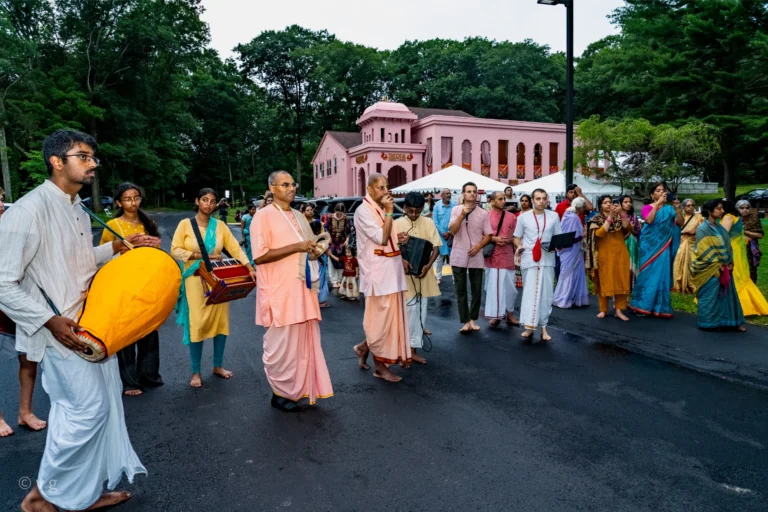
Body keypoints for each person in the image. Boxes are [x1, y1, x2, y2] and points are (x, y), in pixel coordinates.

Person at [0, 129, 156, 511]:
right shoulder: (27, 210)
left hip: (92, 325)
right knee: (86, 411)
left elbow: (76, 263)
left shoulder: (76, 206)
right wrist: (48, 320)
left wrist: (116, 248)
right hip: (61, 332)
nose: (92, 163)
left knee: (98, 409)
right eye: (83, 156)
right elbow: (3, 281)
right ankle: (43, 496)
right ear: (56, 161)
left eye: (92, 157)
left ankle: (81, 494)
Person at [252, 170, 333, 412]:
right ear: (272, 189)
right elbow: (260, 256)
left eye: (293, 184)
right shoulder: (262, 216)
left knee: (302, 344)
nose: (291, 188)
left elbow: (307, 250)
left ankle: (301, 390)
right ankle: (280, 394)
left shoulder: (298, 215)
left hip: (302, 288)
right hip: (279, 291)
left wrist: (315, 248)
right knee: (281, 345)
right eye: (285, 184)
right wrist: (296, 246)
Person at [171, 188, 256, 388]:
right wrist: (202, 257)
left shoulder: (220, 227)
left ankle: (218, 366)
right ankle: (195, 371)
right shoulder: (185, 225)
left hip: (217, 279)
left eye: (212, 201)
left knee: (220, 322)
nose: (208, 204)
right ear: (197, 201)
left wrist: (249, 267)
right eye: (204, 200)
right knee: (197, 324)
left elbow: (235, 248)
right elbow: (175, 250)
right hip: (194, 279)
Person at [99, 183, 163, 396]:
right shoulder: (112, 225)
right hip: (123, 285)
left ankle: (149, 375)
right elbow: (103, 257)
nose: (133, 202)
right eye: (127, 199)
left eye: (136, 197)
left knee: (148, 330)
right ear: (118, 202)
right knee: (126, 333)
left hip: (147, 284)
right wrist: (122, 249)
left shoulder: (148, 223)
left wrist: (152, 246)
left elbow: (157, 255)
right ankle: (129, 382)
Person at [352, 173, 411, 383]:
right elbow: (380, 237)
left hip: (392, 271)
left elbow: (388, 238)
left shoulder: (380, 210)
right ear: (369, 189)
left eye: (386, 187)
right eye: (380, 187)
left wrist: (399, 238)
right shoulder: (363, 211)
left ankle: (363, 348)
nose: (385, 191)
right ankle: (379, 367)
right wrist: (389, 213)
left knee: (389, 320)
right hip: (378, 274)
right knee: (379, 322)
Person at [1, 189, 48, 438]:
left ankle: (25, 412)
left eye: (0, 199)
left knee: (29, 360)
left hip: (20, 305)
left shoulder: (16, 225)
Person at [395, 192, 442, 364]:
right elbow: (392, 250)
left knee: (420, 313)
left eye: (418, 211)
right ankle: (402, 350)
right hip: (404, 277)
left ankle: (413, 350)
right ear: (405, 208)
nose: (414, 214)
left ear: (423, 209)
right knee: (406, 313)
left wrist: (427, 266)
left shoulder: (428, 222)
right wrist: (402, 260)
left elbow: (436, 248)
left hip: (424, 276)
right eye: (411, 211)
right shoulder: (396, 223)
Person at [513, 188, 562, 340]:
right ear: (532, 200)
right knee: (529, 293)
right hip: (529, 258)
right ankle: (529, 327)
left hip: (547, 258)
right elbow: (516, 237)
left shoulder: (554, 216)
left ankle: (544, 328)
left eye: (543, 198)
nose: (541, 201)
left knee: (546, 295)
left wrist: (559, 245)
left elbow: (558, 237)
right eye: (538, 198)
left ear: (547, 199)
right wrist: (519, 246)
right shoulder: (523, 217)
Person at [629, 183, 684, 317]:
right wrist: (658, 204)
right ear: (652, 195)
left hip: (663, 247)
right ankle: (641, 304)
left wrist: (677, 209)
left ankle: (659, 306)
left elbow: (680, 223)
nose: (661, 192)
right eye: (658, 191)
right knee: (646, 273)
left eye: (663, 190)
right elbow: (649, 220)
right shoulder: (647, 207)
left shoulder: (669, 210)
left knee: (661, 275)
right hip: (648, 247)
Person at [691, 200, 746, 331]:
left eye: (722, 209)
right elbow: (703, 250)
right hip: (710, 268)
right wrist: (719, 265)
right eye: (719, 209)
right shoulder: (703, 228)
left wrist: (730, 262)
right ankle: (709, 323)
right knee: (711, 295)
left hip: (725, 266)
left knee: (727, 295)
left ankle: (730, 322)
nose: (722, 211)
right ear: (710, 211)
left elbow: (727, 245)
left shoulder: (720, 227)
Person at [448, 182, 493, 333]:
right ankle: (465, 321)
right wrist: (462, 215)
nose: (472, 194)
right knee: (460, 291)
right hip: (458, 254)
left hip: (476, 255)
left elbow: (489, 235)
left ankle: (473, 319)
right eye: (468, 191)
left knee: (476, 290)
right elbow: (452, 231)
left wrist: (478, 246)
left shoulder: (483, 213)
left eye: (474, 191)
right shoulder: (456, 210)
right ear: (463, 194)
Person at [585, 196, 632, 320]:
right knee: (604, 282)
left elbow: (628, 228)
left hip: (621, 254)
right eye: (605, 202)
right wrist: (610, 217)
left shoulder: (619, 217)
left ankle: (619, 310)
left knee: (621, 280)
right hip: (604, 255)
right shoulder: (596, 219)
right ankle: (603, 310)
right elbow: (599, 234)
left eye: (610, 202)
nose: (608, 204)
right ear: (600, 205)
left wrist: (622, 213)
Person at [720, 201, 768, 316]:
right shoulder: (737, 217)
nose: (719, 210)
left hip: (733, 248)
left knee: (736, 275)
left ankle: (739, 304)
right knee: (741, 275)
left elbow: (722, 235)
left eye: (720, 208)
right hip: (739, 248)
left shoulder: (728, 217)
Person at [482, 191, 520, 327]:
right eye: (500, 199)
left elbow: (517, 236)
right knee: (491, 287)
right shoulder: (485, 216)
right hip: (492, 257)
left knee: (510, 288)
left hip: (507, 256)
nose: (504, 201)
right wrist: (494, 239)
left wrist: (509, 240)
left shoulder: (512, 217)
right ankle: (496, 315)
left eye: (504, 199)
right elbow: (480, 235)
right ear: (491, 201)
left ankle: (509, 314)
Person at [553, 197, 590, 309]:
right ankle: (564, 298)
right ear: (581, 207)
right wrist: (582, 235)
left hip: (572, 250)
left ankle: (571, 298)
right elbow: (570, 238)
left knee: (572, 273)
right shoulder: (573, 218)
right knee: (568, 274)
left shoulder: (567, 215)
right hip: (571, 250)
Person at [672, 199, 704, 294]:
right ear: (683, 207)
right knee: (679, 261)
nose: (691, 207)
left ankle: (692, 285)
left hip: (694, 243)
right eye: (688, 205)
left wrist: (693, 231)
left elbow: (702, 229)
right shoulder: (679, 217)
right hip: (681, 242)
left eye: (692, 205)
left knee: (692, 263)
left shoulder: (699, 217)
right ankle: (680, 285)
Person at [431, 188, 456, 284]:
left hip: (452, 235)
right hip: (440, 236)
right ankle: (438, 277)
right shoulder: (437, 206)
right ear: (441, 196)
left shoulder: (454, 205)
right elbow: (435, 221)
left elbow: (457, 219)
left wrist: (449, 232)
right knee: (439, 258)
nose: (448, 195)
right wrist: (443, 232)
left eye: (449, 193)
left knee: (453, 257)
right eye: (446, 193)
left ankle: (455, 278)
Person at [738, 199, 764, 284]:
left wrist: (744, 231)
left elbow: (760, 235)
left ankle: (752, 291)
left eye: (747, 208)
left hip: (750, 249)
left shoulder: (754, 218)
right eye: (742, 208)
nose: (745, 210)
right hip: (737, 248)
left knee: (751, 270)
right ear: (737, 209)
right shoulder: (734, 219)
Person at [325, 203, 351, 289]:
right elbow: (326, 228)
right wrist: (328, 237)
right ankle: (334, 280)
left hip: (341, 242)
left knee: (341, 261)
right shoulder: (329, 217)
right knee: (331, 259)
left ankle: (340, 279)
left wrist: (347, 240)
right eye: (338, 213)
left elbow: (348, 231)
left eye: (341, 213)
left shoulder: (346, 218)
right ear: (335, 211)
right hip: (332, 241)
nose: (339, 215)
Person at [619, 194, 642, 290]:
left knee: (631, 267)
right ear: (620, 204)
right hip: (620, 243)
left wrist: (632, 229)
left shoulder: (633, 216)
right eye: (625, 202)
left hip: (632, 243)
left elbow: (638, 231)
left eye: (630, 202)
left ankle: (631, 289)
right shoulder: (616, 216)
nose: (628, 204)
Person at [311, 220, 331, 308]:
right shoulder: (320, 239)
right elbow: (322, 251)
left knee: (314, 278)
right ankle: (321, 300)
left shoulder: (310, 238)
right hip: (320, 260)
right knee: (321, 280)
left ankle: (313, 299)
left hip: (313, 260)